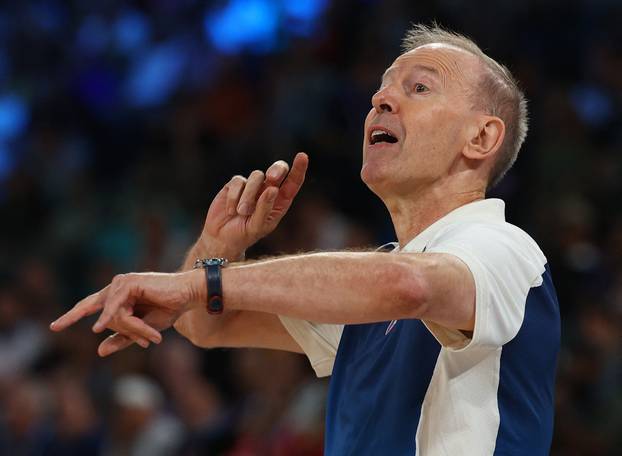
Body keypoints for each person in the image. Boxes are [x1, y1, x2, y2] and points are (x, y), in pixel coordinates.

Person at [50, 24, 561, 455]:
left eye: (419, 88)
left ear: (482, 138)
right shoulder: (377, 284)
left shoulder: (503, 247)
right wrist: (216, 248)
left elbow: (410, 286)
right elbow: (208, 328)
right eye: (382, 89)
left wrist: (201, 282)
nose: (380, 98)